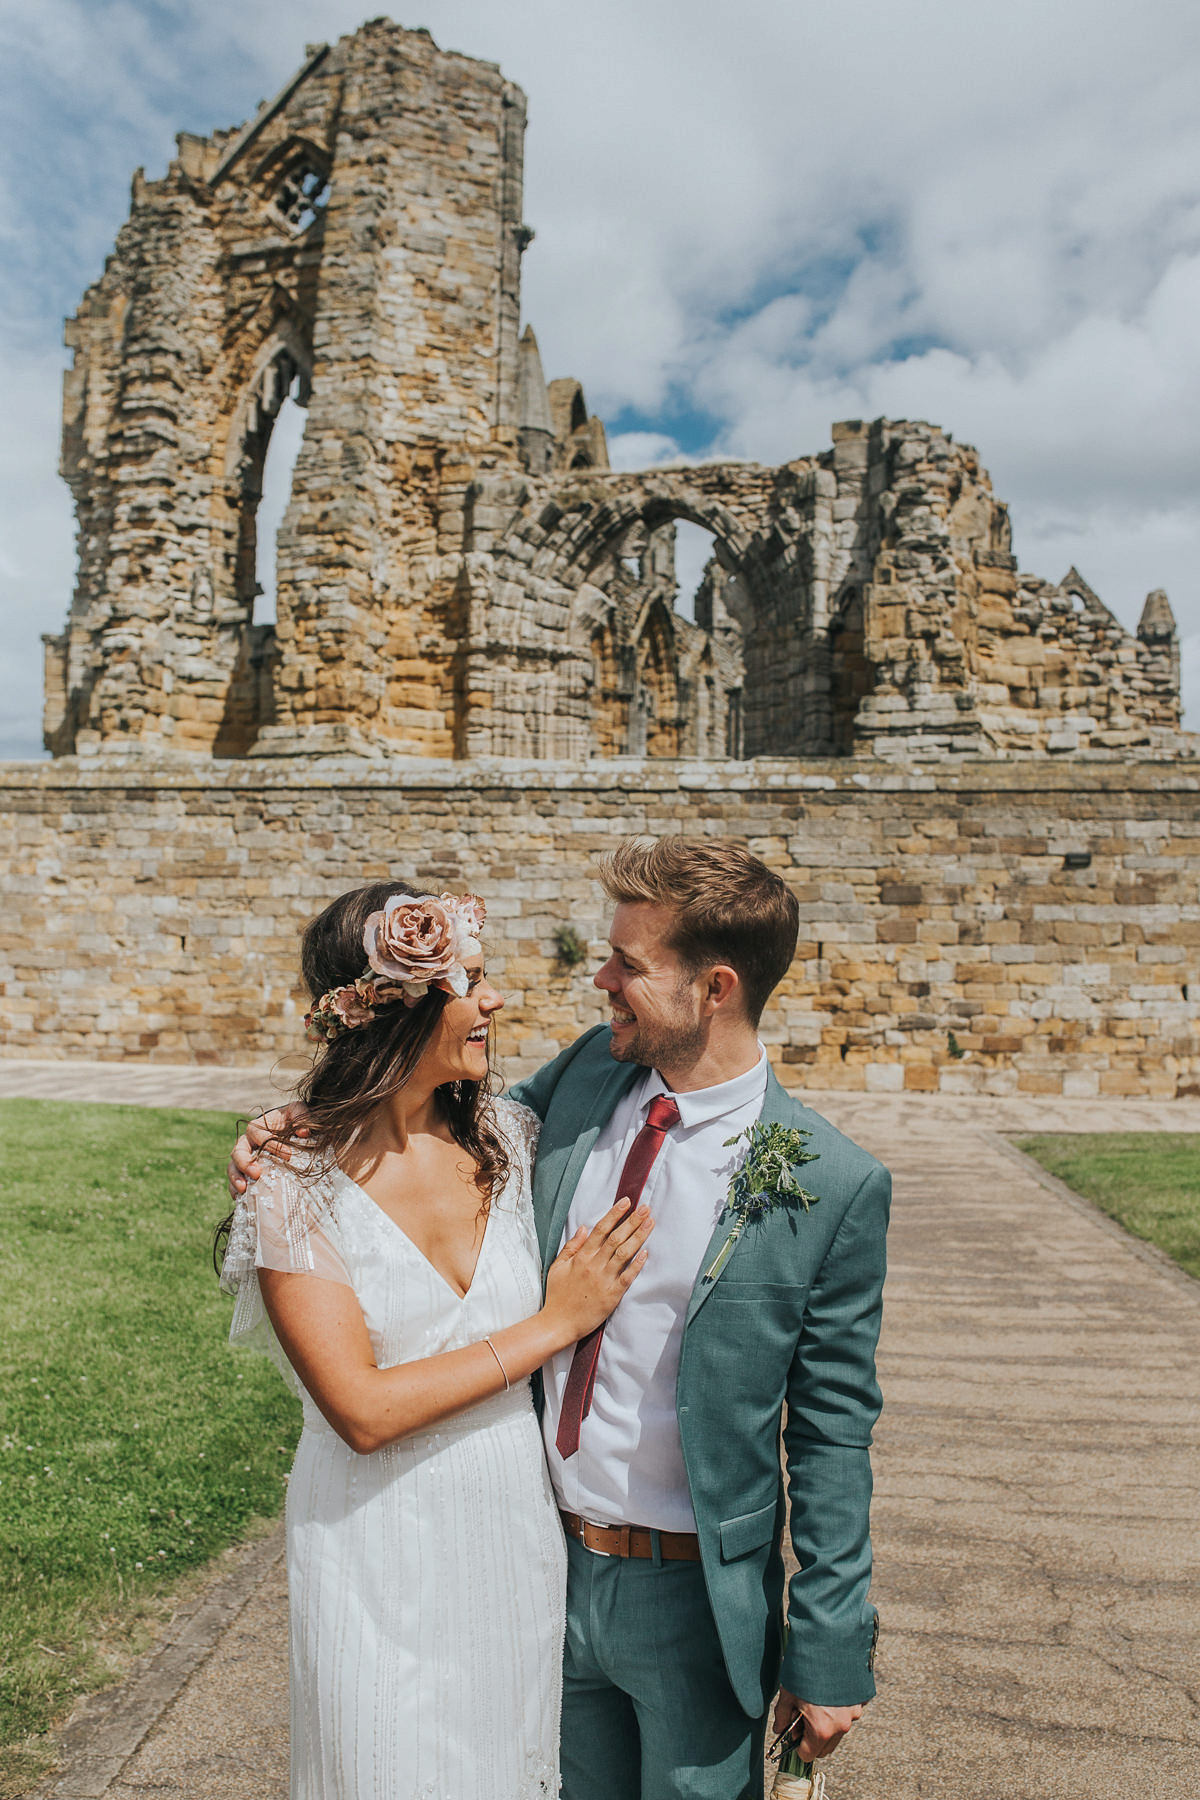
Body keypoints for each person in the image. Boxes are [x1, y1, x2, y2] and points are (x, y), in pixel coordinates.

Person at [231, 837, 889, 1800]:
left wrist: (830, 1645)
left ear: (714, 989)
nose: (599, 980)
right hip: (536, 1560)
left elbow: (834, 1430)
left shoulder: (832, 1183)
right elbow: (399, 1122)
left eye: (627, 963)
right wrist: (295, 1125)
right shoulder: (581, 1084)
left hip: (692, 1597)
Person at [217, 880, 653, 1800]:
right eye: (473, 982)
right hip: (374, 1540)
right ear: (394, 1008)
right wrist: (554, 1323)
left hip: (508, 1531)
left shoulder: (515, 1136)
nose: (495, 1000)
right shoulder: (291, 1183)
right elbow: (363, 1411)